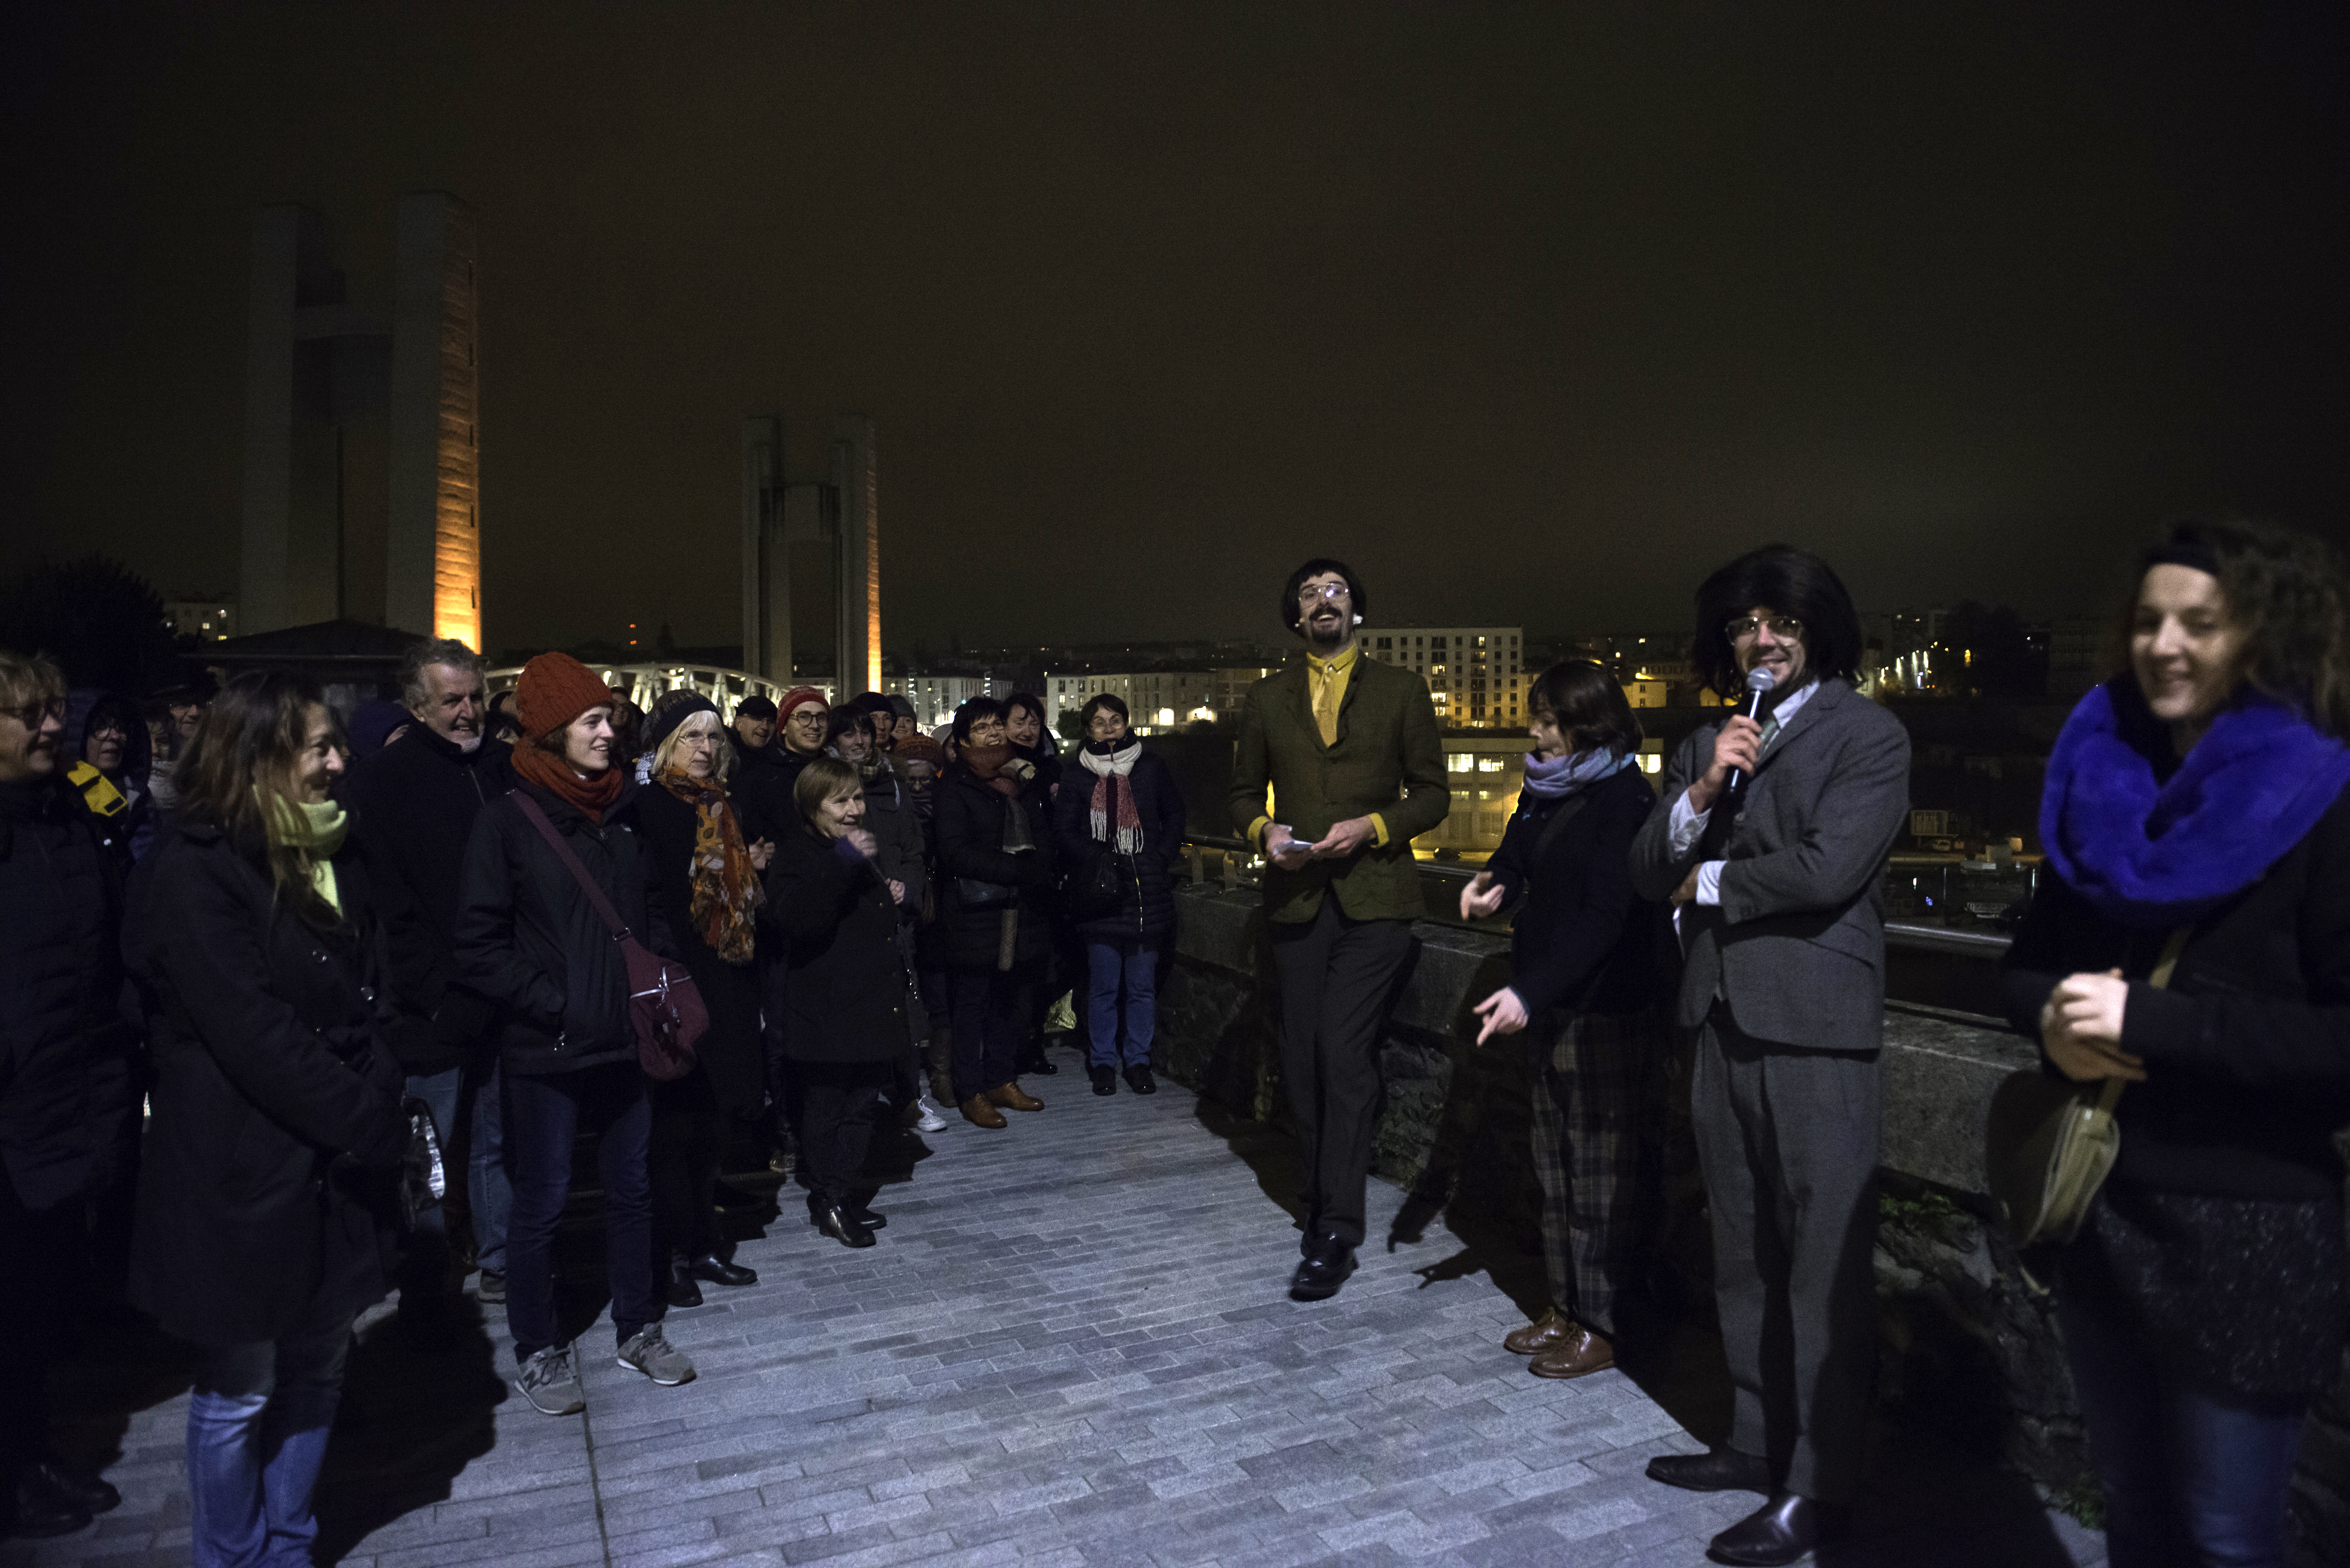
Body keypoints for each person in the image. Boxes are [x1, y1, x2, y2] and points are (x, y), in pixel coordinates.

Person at [1999, 519, 2350, 1568]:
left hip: (2249, 1230)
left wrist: (2151, 1022)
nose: (2164, 643)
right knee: (2129, 1508)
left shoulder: (2322, 795)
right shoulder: (2104, 784)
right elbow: (2022, 967)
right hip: (2103, 1208)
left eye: (2201, 622)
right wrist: (2053, 1023)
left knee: (2226, 1536)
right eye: (2148, 620)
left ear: (2264, 637)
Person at [1627, 545, 1910, 1566]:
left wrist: (1704, 885)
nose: (1763, 638)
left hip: (1816, 1027)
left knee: (1821, 1265)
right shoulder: (1710, 737)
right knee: (1742, 1252)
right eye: (1746, 623)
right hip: (1717, 1019)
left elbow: (1830, 867)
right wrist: (1703, 790)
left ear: (1818, 627)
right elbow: (1643, 861)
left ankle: (1818, 1486)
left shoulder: (1869, 734)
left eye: (1782, 620)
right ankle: (1754, 1439)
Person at [120, 671, 407, 1567]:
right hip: (242, 1171)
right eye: (317, 746)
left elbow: (373, 991)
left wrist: (382, 1081)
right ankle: (236, 1557)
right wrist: (372, 1117)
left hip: (330, 1167)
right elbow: (255, 1035)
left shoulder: (336, 849)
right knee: (241, 1386)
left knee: (319, 1363)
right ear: (256, 757)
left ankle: (291, 1541)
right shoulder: (196, 870)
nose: (338, 760)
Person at [452, 652, 694, 1417]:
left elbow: (654, 910)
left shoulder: (623, 816)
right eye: (591, 721)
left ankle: (637, 1327)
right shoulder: (508, 822)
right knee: (543, 1200)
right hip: (548, 1047)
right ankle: (539, 1348)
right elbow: (479, 944)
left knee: (632, 1188)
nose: (608, 731)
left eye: (609, 719)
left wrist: (657, 974)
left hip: (626, 1040)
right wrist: (555, 1002)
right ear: (552, 733)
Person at [1227, 558, 1448, 1301]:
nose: (1325, 600)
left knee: (1341, 1051)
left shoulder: (1402, 690)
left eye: (1338, 591)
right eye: (1309, 594)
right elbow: (1237, 793)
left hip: (1376, 900)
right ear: (1295, 618)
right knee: (1300, 1059)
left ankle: (1337, 1231)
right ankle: (1324, 1198)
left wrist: (1377, 826)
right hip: (1295, 899)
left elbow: (1436, 793)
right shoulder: (1264, 698)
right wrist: (1262, 829)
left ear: (1359, 611)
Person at [1461, 663, 1673, 1381]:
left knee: (1601, 1174)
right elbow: (1520, 856)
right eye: (1538, 715)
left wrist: (1528, 993)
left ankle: (1603, 1323)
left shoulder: (1625, 799)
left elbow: (1604, 918)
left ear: (1591, 724)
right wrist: (1494, 886)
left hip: (1604, 1008)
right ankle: (1565, 1305)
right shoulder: (1546, 786)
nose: (1537, 730)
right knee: (1555, 1166)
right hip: (1551, 1002)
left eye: (1551, 719)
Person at [341, 638, 515, 1316]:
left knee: (499, 1143)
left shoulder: (500, 769)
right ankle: (427, 1279)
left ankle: (500, 1261)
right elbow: (389, 909)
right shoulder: (381, 783)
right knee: (430, 1155)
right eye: (453, 701)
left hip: (503, 997)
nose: (469, 711)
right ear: (416, 706)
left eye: (475, 696)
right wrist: (435, 996)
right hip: (433, 1009)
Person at [0, 653, 129, 1540]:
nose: (53, 726)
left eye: (53, 710)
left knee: (38, 1300)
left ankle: (31, 1446)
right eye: (28, 715)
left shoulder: (71, 814)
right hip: (16, 1111)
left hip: (73, 1091)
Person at [628, 697, 769, 1307]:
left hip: (726, 976)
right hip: (675, 982)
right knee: (672, 1129)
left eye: (713, 736)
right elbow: (647, 901)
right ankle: (672, 1255)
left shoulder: (722, 806)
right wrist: (669, 970)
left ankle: (706, 1241)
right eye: (690, 737)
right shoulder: (646, 808)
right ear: (663, 744)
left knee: (712, 1123)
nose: (705, 748)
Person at [767, 756, 916, 1246]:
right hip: (828, 1012)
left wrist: (889, 892)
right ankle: (830, 1197)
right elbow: (800, 921)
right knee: (830, 1108)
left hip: (869, 1004)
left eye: (857, 798)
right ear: (813, 808)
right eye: (840, 801)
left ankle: (839, 1193)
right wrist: (848, 864)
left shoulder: (848, 849)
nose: (854, 810)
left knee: (860, 1107)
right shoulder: (800, 854)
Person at [1053, 695, 1187, 1097]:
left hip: (1146, 888)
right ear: (1087, 729)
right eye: (1098, 722)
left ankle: (1139, 1060)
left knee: (1142, 986)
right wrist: (1099, 859)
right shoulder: (1077, 773)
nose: (1108, 727)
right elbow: (1065, 830)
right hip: (1101, 892)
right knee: (1104, 986)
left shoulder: (1150, 766)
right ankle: (1103, 1063)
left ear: (1127, 724)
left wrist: (1159, 857)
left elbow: (1174, 814)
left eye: (1115, 720)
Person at [933, 697, 1057, 1127]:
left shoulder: (1022, 779)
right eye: (981, 728)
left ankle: (1002, 1078)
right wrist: (1016, 869)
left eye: (995, 726)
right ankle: (971, 1089)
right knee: (971, 1004)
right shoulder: (955, 785)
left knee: (1009, 1000)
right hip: (976, 913)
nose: (993, 734)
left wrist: (1039, 866)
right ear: (964, 738)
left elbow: (1043, 834)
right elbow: (954, 851)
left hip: (1019, 911)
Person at [829, 709, 946, 1131]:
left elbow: (913, 848)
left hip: (896, 913)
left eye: (864, 732)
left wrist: (908, 889)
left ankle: (908, 1099)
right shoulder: (824, 783)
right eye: (849, 733)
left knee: (904, 1008)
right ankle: (852, 1107)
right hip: (849, 913)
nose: (860, 740)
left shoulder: (892, 782)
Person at [68, 692, 156, 863]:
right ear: (80, 736)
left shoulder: (139, 796)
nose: (114, 736)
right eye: (101, 727)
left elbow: (146, 862)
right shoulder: (61, 799)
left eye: (121, 728)